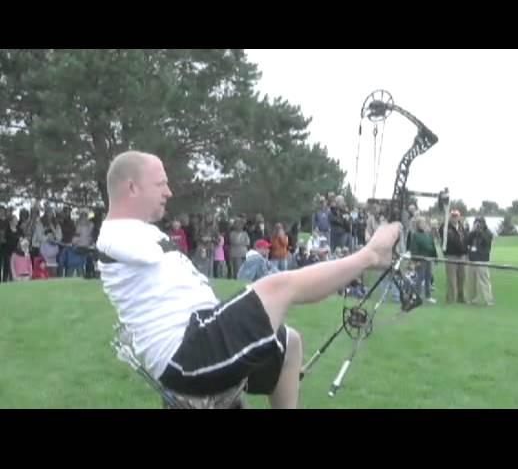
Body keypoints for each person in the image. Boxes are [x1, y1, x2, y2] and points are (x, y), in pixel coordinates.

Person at [96, 150, 402, 409]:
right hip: (184, 354)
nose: (169, 192)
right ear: (132, 188)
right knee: (275, 288)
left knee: (288, 343)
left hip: (200, 334)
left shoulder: (143, 232)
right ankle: (371, 255)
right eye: (161, 183)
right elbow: (110, 247)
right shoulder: (116, 234)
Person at [464, 216, 494, 306]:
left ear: (484, 223)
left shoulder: (488, 233)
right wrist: (472, 232)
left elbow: (486, 241)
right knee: (471, 281)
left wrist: (480, 232)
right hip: (472, 259)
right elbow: (466, 241)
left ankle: (488, 299)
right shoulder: (473, 233)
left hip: (482, 259)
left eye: (480, 223)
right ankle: (473, 299)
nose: (478, 225)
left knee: (484, 281)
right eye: (476, 223)